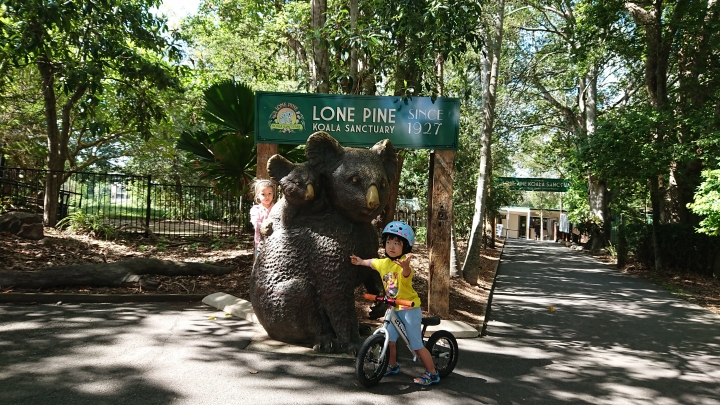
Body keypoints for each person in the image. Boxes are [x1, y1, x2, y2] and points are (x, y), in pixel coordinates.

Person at [350, 221, 440, 386]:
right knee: (390, 339)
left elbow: (406, 274)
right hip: (394, 307)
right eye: (389, 242)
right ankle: (392, 366)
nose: (391, 246)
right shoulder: (384, 263)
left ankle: (432, 373)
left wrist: (405, 267)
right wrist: (360, 261)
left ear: (405, 246)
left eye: (397, 243)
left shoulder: (404, 264)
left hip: (409, 308)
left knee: (416, 345)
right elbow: (371, 262)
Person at [250, 179, 275, 258]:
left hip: (275, 244)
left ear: (273, 194)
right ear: (257, 195)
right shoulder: (255, 210)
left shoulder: (276, 208)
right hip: (260, 244)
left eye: (269, 193)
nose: (267, 196)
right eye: (263, 194)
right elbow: (256, 225)